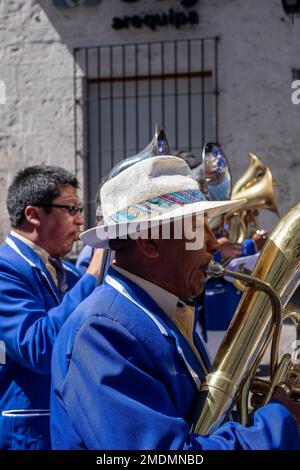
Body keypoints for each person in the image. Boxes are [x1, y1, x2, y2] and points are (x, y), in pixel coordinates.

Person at [50, 155, 300, 450]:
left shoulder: (163, 309)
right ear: (149, 242)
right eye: (197, 229)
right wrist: (280, 423)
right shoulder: (101, 332)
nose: (213, 244)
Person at [0, 165, 103, 450]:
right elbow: (39, 348)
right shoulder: (4, 270)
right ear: (33, 215)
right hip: (29, 434)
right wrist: (93, 276)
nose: (81, 220)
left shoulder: (67, 273)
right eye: (71, 209)